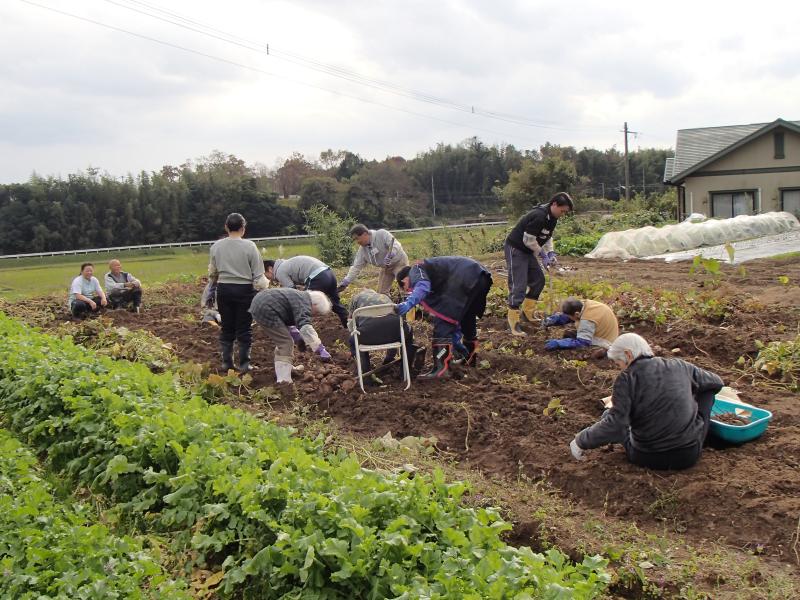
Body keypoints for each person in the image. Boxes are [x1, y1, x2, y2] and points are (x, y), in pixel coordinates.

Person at [569, 333, 724, 471]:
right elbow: (716, 382)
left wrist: (580, 441)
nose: (620, 369)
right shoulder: (680, 366)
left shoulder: (627, 379)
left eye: (618, 364)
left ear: (628, 355)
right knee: (707, 391)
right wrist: (688, 399)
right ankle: (698, 434)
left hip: (647, 457)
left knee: (610, 417)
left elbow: (616, 425)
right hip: (688, 455)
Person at [394, 256, 492, 380]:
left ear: (404, 280)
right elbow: (454, 318)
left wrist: (408, 304)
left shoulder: (415, 269)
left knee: (442, 325)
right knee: (467, 318)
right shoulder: (433, 273)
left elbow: (423, 286)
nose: (409, 290)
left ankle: (441, 369)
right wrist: (456, 341)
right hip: (480, 276)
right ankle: (468, 359)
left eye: (406, 288)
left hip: (465, 276)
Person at [504, 192, 573, 336]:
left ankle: (527, 314)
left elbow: (547, 237)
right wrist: (542, 255)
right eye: (562, 211)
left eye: (565, 212)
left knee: (538, 280)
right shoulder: (539, 216)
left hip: (528, 251)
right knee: (518, 285)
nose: (563, 214)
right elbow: (528, 240)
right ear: (554, 204)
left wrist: (551, 253)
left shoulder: (553, 218)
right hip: (516, 248)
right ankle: (513, 323)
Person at [208, 213, 269, 374]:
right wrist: (264, 291)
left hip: (224, 290)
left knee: (227, 328)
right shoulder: (250, 246)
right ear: (243, 228)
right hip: (244, 291)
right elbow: (259, 276)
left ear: (226, 227)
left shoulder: (216, 247)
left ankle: (227, 363)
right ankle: (244, 364)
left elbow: (212, 273)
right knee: (244, 328)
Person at [249, 288, 333, 384]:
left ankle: (286, 367)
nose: (314, 316)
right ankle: (283, 379)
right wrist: (320, 348)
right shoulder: (305, 305)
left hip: (261, 303)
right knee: (285, 343)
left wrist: (298, 337)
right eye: (316, 312)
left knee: (284, 338)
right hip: (266, 309)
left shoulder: (301, 297)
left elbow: (287, 320)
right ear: (314, 305)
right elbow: (306, 328)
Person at [347, 288, 425, 385]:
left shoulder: (356, 298)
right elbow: (395, 314)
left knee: (354, 340)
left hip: (369, 335)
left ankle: (366, 376)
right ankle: (404, 371)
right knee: (408, 331)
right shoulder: (384, 297)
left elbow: (351, 325)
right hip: (394, 333)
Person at [264, 256, 348, 328]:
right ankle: (349, 325)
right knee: (335, 303)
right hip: (329, 273)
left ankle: (303, 331)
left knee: (303, 304)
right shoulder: (286, 264)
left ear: (270, 269)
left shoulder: (279, 271)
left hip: (317, 276)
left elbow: (292, 292)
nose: (268, 279)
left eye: (265, 275)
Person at [337, 224, 409, 296]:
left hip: (399, 262)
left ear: (365, 234)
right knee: (381, 293)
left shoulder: (381, 234)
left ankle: (407, 301)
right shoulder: (362, 250)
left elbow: (395, 244)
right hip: (386, 267)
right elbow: (356, 267)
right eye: (354, 240)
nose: (357, 242)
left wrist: (391, 254)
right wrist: (346, 281)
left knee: (404, 287)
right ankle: (388, 303)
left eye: (357, 238)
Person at [543, 297, 619, 351]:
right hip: (606, 332)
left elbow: (583, 343)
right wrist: (555, 319)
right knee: (569, 334)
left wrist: (558, 343)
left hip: (605, 341)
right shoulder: (585, 304)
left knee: (571, 339)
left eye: (569, 316)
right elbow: (572, 316)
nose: (568, 317)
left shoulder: (587, 321)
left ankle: (600, 350)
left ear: (576, 314)